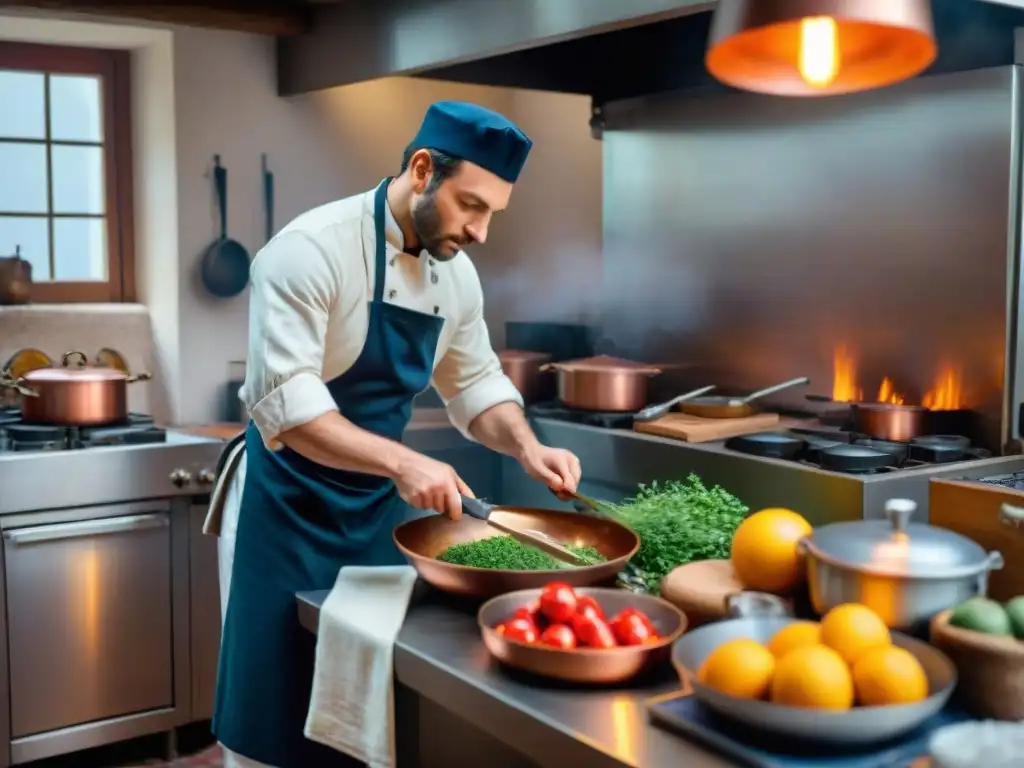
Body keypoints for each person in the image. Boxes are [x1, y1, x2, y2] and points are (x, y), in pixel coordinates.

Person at [208, 101, 583, 768]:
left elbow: (476, 385)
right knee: (272, 714)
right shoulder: (306, 252)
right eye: (472, 206)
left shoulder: (456, 274)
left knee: (365, 701)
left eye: (493, 212)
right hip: (285, 510)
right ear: (420, 171)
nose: (482, 231)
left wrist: (529, 446)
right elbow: (290, 412)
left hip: (374, 512)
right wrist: (406, 465)